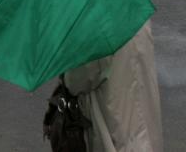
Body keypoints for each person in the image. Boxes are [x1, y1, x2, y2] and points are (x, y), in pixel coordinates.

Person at [63, 20, 164, 152]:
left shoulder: (93, 27)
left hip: (114, 131)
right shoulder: (140, 17)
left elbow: (74, 83)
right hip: (145, 125)